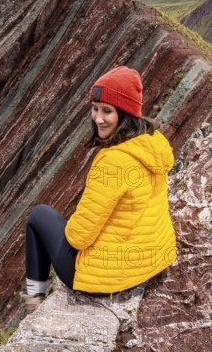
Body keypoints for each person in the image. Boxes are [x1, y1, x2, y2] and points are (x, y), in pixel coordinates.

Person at [23, 65, 176, 313]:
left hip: (108, 277)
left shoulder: (113, 161)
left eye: (108, 111)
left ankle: (32, 305)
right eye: (95, 109)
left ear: (125, 114)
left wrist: (72, 224)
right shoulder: (153, 144)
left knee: (38, 216)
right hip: (150, 262)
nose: (98, 118)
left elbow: (79, 237)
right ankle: (33, 304)